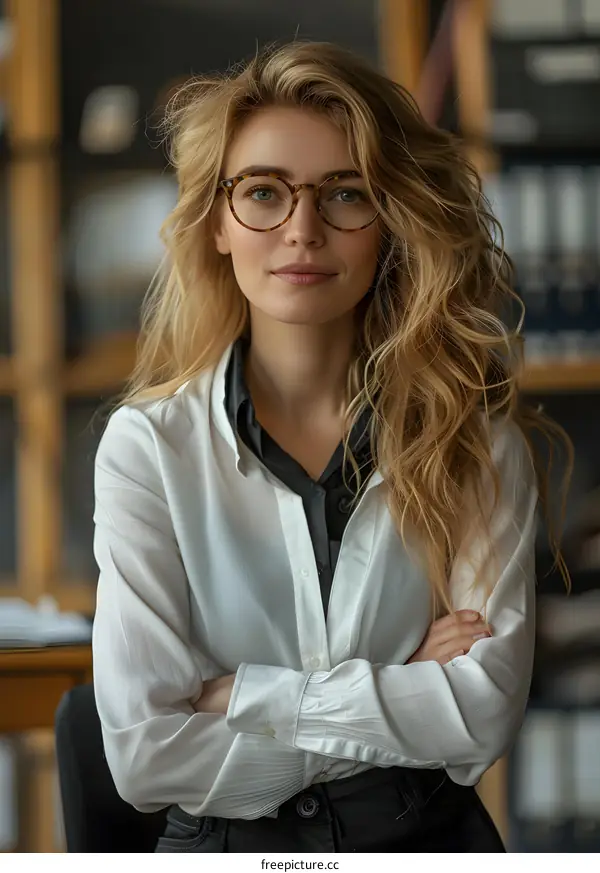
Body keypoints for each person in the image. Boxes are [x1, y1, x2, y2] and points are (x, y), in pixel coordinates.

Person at [91, 41, 570, 853]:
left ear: (391, 222)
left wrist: (245, 696)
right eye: (263, 192)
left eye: (346, 194)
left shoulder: (474, 442)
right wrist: (405, 687)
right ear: (217, 221)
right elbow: (146, 755)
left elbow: (482, 713)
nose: (303, 230)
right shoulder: (148, 450)